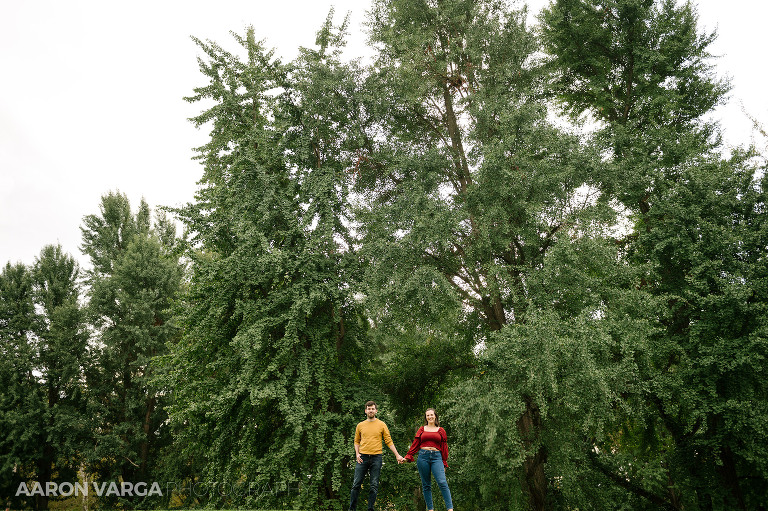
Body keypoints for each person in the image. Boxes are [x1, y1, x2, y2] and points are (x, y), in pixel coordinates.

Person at [349, 400, 405, 511]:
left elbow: (389, 441)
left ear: (376, 410)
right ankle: (352, 509)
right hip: (362, 458)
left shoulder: (382, 424)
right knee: (356, 484)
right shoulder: (360, 425)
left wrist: (397, 455)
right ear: (365, 411)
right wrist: (357, 454)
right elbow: (356, 441)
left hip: (376, 458)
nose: (370, 410)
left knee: (374, 486)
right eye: (369, 409)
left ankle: (370, 509)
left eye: (372, 409)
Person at [404, 408, 454, 511]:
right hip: (423, 457)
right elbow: (415, 444)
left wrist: (444, 462)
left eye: (431, 415)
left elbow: (444, 447)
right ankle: (430, 509)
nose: (430, 417)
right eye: (428, 415)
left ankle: (450, 509)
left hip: (437, 457)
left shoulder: (441, 430)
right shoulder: (422, 429)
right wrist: (408, 456)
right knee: (426, 484)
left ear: (435, 416)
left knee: (442, 482)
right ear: (426, 418)